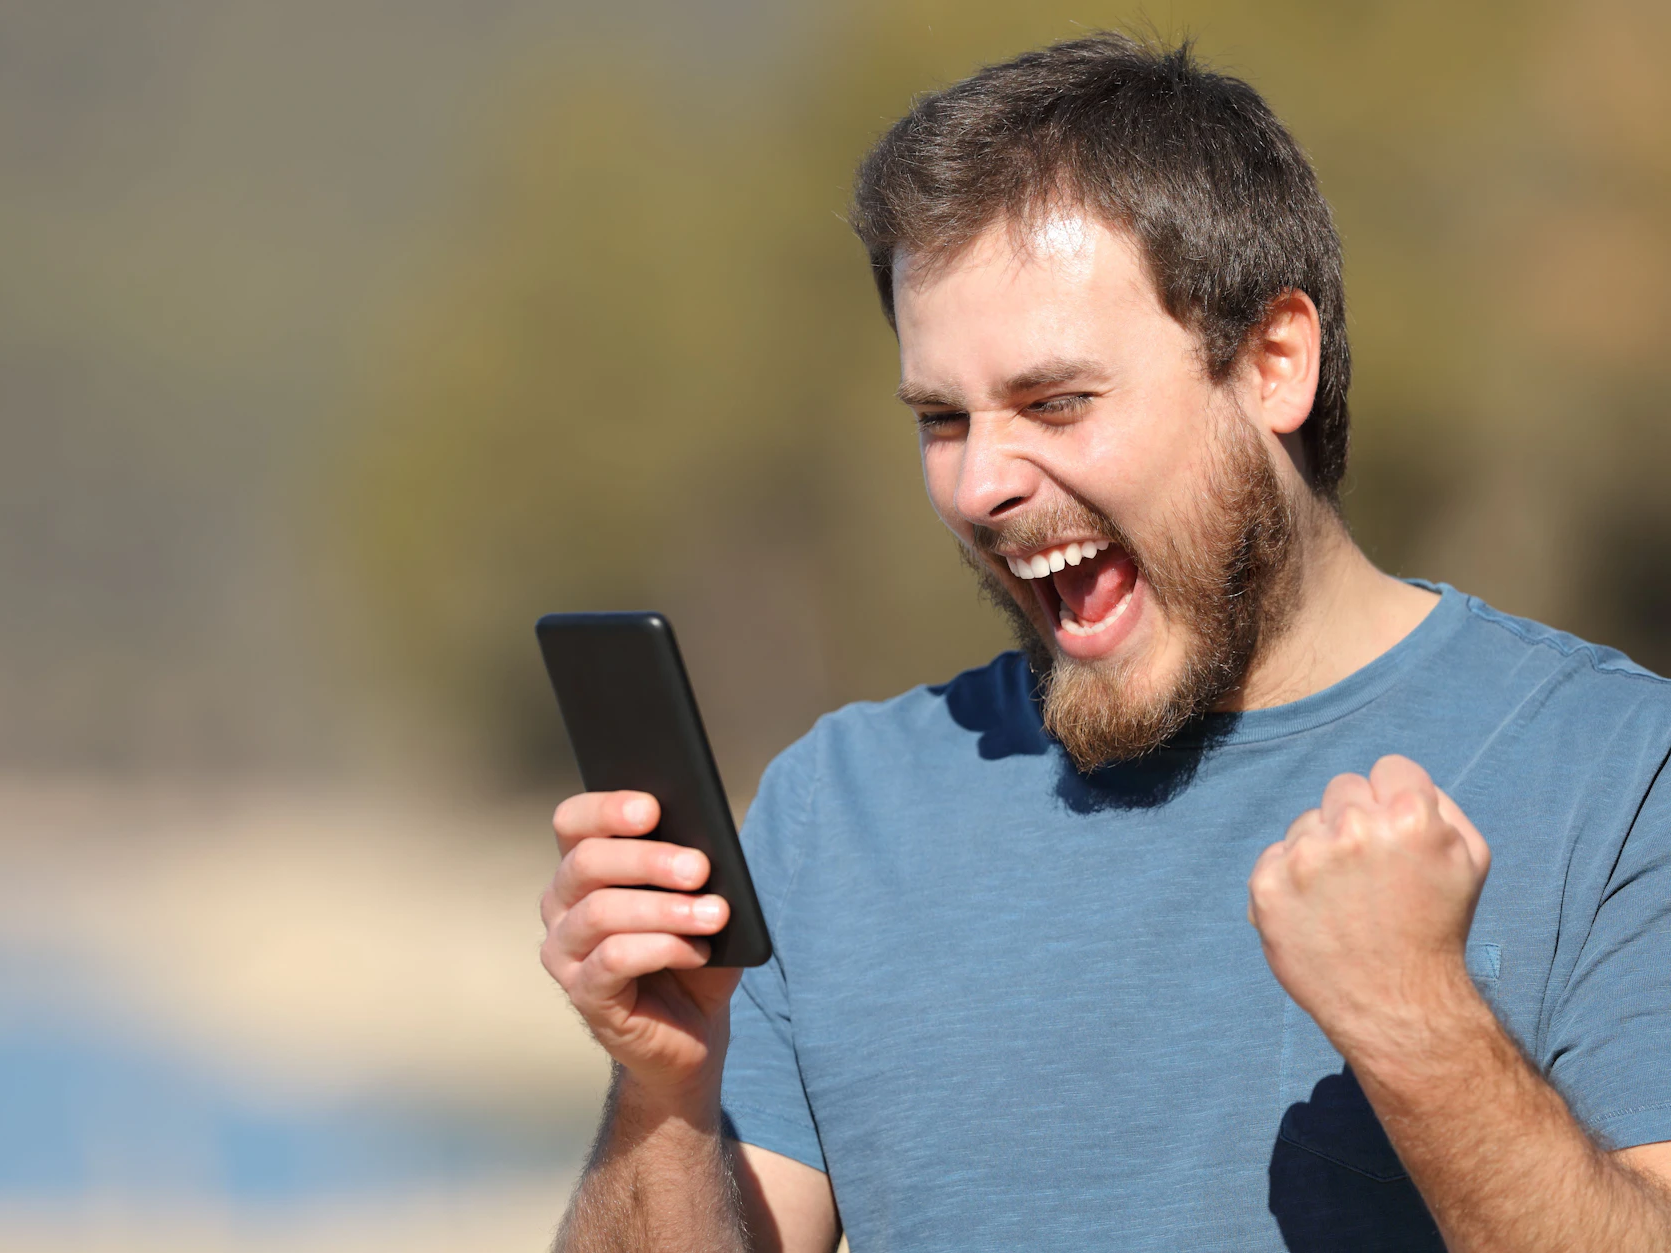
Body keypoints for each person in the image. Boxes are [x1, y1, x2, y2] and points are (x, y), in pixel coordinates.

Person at [536, 33, 1671, 1251]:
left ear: (1272, 362)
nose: (978, 483)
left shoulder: (1613, 774)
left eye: (1054, 403)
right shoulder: (836, 809)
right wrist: (663, 1084)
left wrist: (1419, 1024)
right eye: (939, 418)